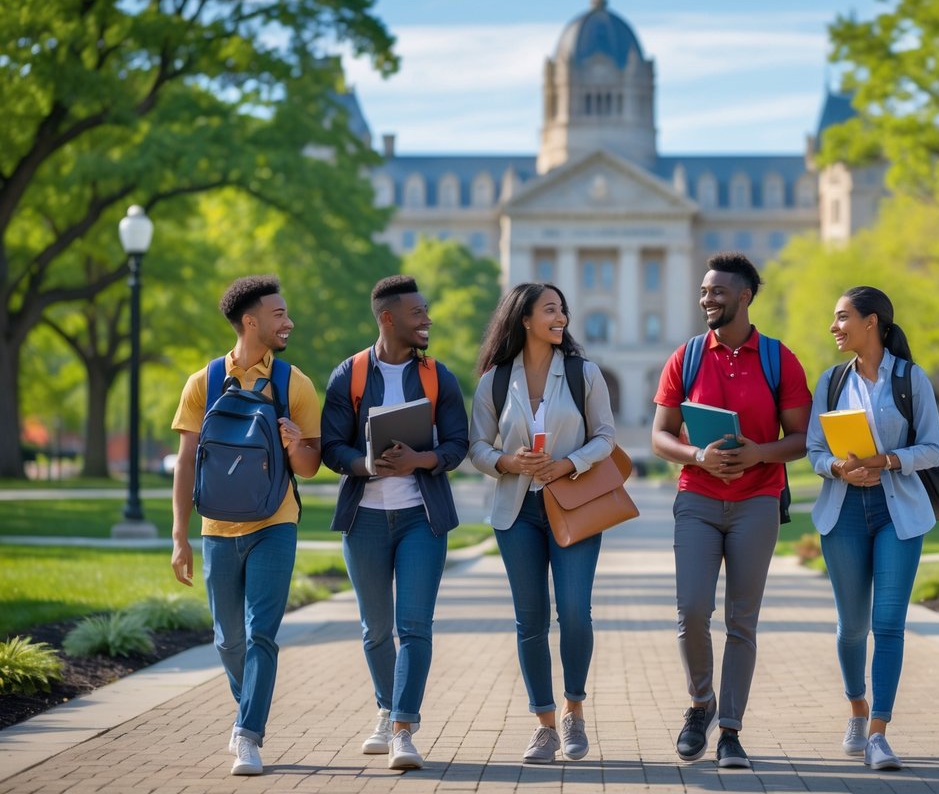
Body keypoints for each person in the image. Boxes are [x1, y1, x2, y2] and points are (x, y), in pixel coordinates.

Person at [651, 252, 810, 770]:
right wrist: (699, 455)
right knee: (692, 611)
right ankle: (701, 705)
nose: (707, 299)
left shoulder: (778, 359)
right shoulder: (687, 356)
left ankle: (731, 732)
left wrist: (758, 453)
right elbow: (659, 436)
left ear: (744, 296)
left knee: (743, 621)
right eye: (703, 291)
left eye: (717, 292)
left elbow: (803, 438)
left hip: (757, 502)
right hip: (696, 498)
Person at [170, 275, 322, 776]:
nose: (289, 322)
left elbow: (309, 468)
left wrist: (297, 441)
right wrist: (179, 537)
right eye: (279, 314)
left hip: (276, 521)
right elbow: (187, 461)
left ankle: (248, 734)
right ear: (250, 321)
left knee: (261, 635)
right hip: (217, 528)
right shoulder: (204, 382)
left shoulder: (293, 383)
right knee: (227, 640)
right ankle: (247, 711)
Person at [320, 275, 468, 771]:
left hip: (420, 520)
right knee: (376, 630)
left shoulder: (438, 377)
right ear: (388, 318)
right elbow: (330, 447)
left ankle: (403, 727)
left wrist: (420, 461)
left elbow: (457, 445)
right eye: (417, 313)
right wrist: (366, 464)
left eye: (426, 311)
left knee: (414, 625)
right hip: (364, 519)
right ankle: (386, 709)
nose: (426, 320)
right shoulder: (350, 375)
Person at [468, 282, 616, 764]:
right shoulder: (494, 379)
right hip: (517, 513)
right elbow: (477, 446)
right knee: (529, 620)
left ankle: (575, 711)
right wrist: (507, 462)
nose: (561, 318)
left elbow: (606, 438)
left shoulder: (583, 373)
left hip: (572, 504)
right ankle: (545, 724)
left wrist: (568, 463)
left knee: (574, 612)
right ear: (524, 319)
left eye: (563, 310)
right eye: (550, 310)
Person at [806, 286, 939, 772]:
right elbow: (814, 451)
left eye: (842, 317)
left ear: (872, 322)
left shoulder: (911, 379)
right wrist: (839, 469)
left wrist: (886, 460)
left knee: (888, 625)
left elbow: (934, 448)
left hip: (897, 513)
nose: (834, 327)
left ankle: (879, 734)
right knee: (852, 628)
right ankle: (857, 709)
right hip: (843, 512)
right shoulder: (829, 381)